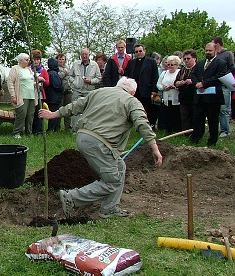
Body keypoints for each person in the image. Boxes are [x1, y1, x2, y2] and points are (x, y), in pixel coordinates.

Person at [39, 77, 162, 219]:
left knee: (119, 166)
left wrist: (54, 114)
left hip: (83, 137)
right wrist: (155, 148)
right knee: (112, 182)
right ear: (133, 92)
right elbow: (142, 124)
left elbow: (76, 105)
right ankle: (71, 197)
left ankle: (109, 208)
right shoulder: (132, 101)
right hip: (99, 144)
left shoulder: (99, 92)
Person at [190, 42, 228, 146]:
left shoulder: (221, 63)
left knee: (213, 120)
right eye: (206, 50)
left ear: (215, 51)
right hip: (199, 96)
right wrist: (197, 83)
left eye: (210, 50)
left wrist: (204, 84)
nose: (207, 52)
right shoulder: (200, 63)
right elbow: (193, 74)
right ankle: (196, 139)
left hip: (212, 98)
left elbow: (219, 77)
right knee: (198, 119)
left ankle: (212, 141)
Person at [124, 44, 159, 127]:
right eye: (136, 52)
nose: (138, 53)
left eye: (140, 51)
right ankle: (137, 125)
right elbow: (127, 75)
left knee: (147, 110)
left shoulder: (151, 62)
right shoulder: (131, 62)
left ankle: (148, 125)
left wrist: (154, 90)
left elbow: (155, 76)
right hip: (134, 91)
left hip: (146, 91)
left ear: (144, 51)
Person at [68, 48, 101, 130]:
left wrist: (91, 81)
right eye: (82, 54)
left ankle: (87, 129)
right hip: (77, 90)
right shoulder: (76, 64)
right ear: (80, 55)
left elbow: (99, 78)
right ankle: (75, 129)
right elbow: (70, 76)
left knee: (89, 110)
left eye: (86, 54)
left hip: (89, 90)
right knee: (75, 108)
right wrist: (75, 82)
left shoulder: (94, 65)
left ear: (89, 55)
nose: (84, 56)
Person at [7, 53, 36, 138]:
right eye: (26, 59)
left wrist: (36, 82)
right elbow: (10, 82)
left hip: (31, 95)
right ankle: (17, 132)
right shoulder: (15, 69)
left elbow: (30, 81)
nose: (28, 61)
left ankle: (29, 132)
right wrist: (13, 95)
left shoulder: (29, 69)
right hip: (21, 96)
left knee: (30, 114)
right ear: (20, 60)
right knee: (21, 114)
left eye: (28, 60)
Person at [213, 37, 234, 138]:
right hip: (214, 85)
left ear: (218, 44)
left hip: (224, 84)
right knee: (215, 109)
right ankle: (216, 129)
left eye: (213, 44)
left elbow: (232, 67)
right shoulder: (214, 55)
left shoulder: (227, 54)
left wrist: (225, 76)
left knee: (224, 109)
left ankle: (225, 130)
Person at [156, 55, 182, 133]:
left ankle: (177, 130)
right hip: (166, 98)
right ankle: (167, 130)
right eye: (168, 65)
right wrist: (163, 87)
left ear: (177, 65)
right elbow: (158, 84)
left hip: (176, 98)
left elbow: (181, 84)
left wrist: (175, 86)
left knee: (176, 115)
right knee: (166, 114)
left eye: (172, 65)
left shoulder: (180, 72)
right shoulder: (164, 73)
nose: (170, 66)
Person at [174, 50, 197, 130]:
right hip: (183, 96)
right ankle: (185, 132)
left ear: (194, 59)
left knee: (194, 115)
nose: (186, 60)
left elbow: (202, 81)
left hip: (194, 96)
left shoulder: (198, 69)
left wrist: (192, 81)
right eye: (185, 59)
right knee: (184, 115)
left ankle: (194, 132)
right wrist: (179, 83)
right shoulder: (182, 70)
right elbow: (175, 82)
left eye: (188, 58)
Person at [31, 49, 49, 135]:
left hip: (40, 95)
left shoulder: (43, 70)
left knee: (39, 112)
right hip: (30, 94)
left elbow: (48, 83)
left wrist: (43, 80)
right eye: (35, 59)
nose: (36, 61)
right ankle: (31, 129)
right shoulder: (28, 69)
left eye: (38, 59)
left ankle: (39, 130)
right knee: (32, 112)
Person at [45, 57, 64, 132]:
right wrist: (62, 88)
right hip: (54, 97)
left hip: (51, 97)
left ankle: (55, 128)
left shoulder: (49, 72)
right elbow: (57, 85)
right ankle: (52, 129)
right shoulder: (53, 74)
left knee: (53, 113)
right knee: (54, 113)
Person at [56, 53, 72, 131]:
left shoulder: (67, 68)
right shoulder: (56, 68)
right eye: (60, 59)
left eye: (63, 59)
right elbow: (58, 77)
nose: (61, 61)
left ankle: (68, 127)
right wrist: (65, 73)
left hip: (68, 91)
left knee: (68, 109)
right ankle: (57, 127)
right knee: (60, 109)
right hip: (60, 91)